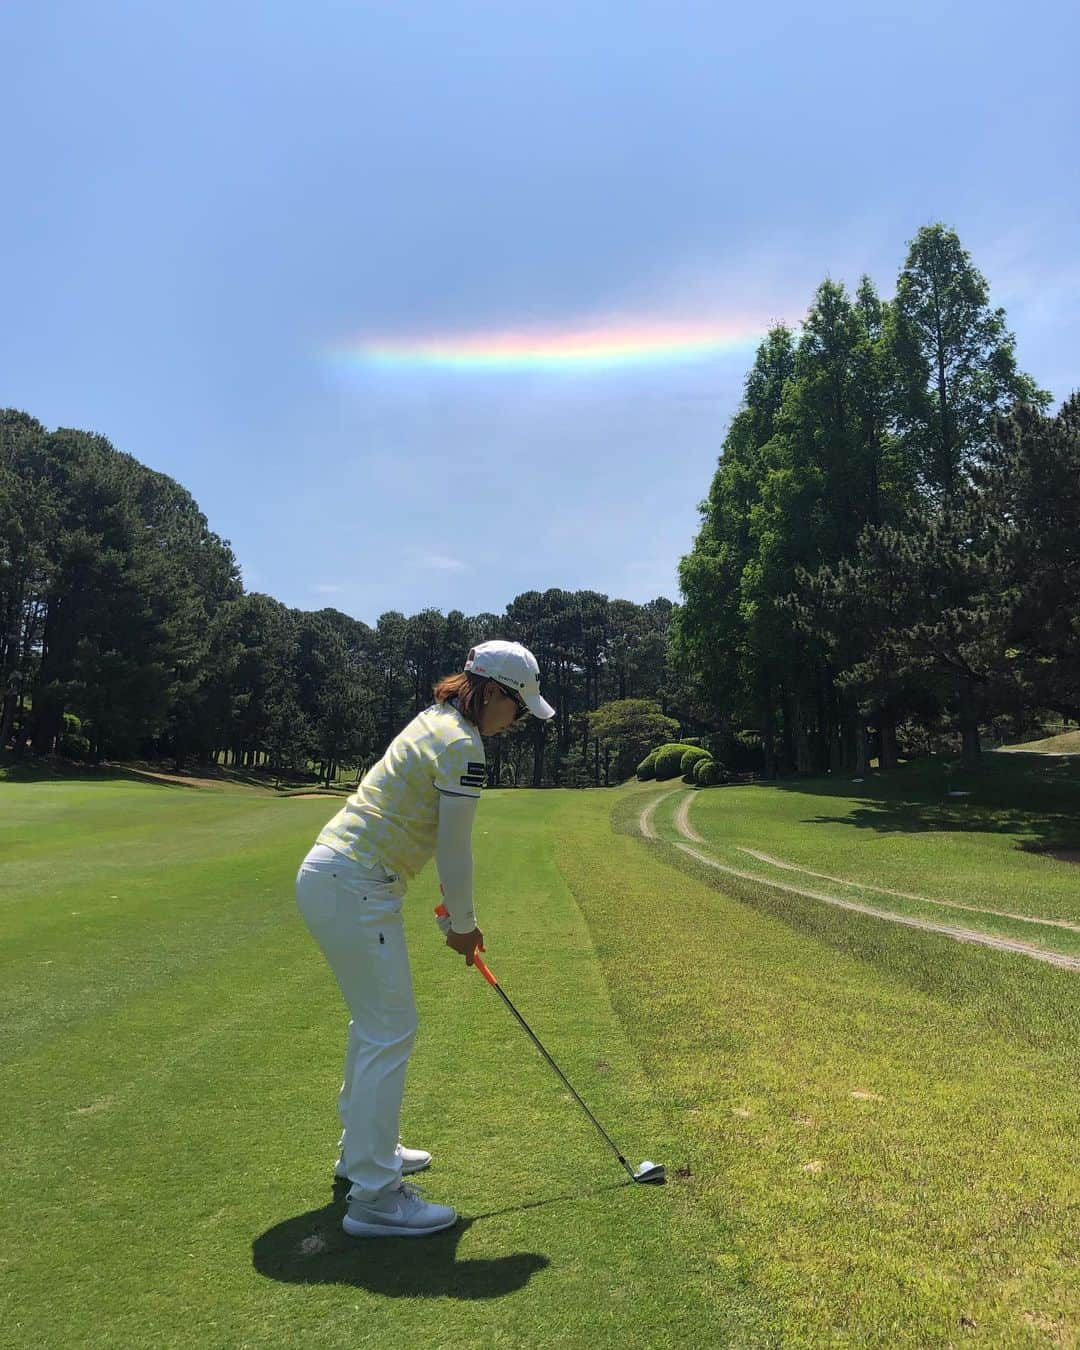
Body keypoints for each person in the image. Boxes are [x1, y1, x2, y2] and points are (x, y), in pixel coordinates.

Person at [295, 639, 555, 1237]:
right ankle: (376, 1198)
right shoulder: (464, 746)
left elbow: (426, 830)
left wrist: (449, 913)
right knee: (390, 1028)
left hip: (338, 878)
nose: (516, 722)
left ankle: (362, 1154)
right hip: (355, 884)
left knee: (376, 1026)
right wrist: (463, 925)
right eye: (517, 708)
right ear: (491, 693)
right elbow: (454, 850)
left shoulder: (433, 720)